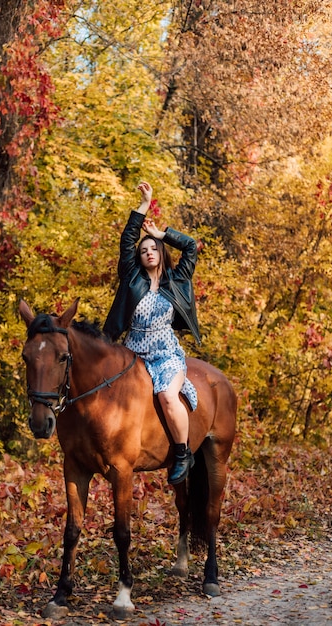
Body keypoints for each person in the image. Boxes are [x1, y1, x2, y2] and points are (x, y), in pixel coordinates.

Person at [104, 181, 201, 484]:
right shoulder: (132, 277)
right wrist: (142, 207)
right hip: (132, 353)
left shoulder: (177, 279)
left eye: (153, 248)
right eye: (143, 249)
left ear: (160, 252)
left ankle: (183, 452)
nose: (148, 252)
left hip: (165, 354)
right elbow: (127, 240)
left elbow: (190, 246)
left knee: (167, 396)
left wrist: (162, 234)